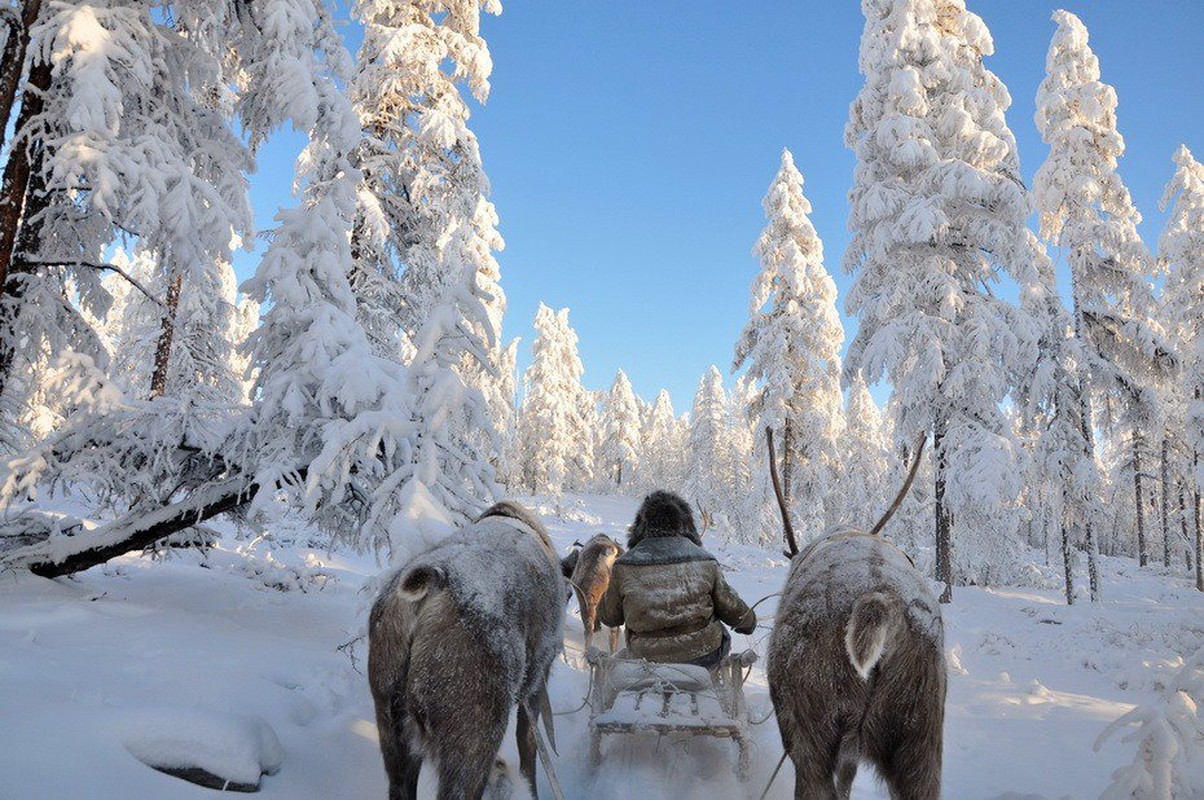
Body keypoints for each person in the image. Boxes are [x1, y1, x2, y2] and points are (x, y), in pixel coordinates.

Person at [598, 490, 756, 669]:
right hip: (703, 656)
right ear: (683, 525)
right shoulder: (705, 561)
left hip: (645, 657)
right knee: (722, 636)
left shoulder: (623, 566)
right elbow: (732, 608)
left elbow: (609, 617)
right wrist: (748, 622)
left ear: (641, 527)